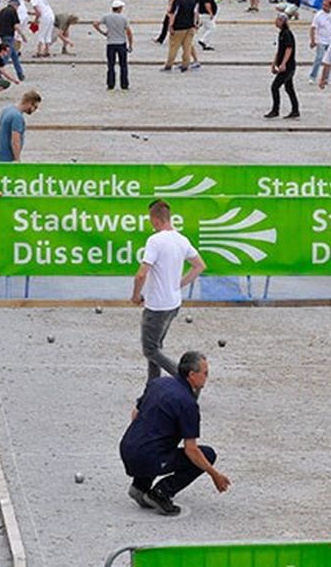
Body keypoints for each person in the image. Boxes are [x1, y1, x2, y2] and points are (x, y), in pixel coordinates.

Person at [119, 350, 230, 517]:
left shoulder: (158, 383)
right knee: (207, 454)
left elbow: (135, 414)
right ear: (192, 375)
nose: (207, 377)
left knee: (158, 441)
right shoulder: (188, 403)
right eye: (205, 373)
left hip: (127, 449)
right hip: (147, 458)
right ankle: (161, 493)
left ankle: (140, 486)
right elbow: (191, 450)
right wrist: (214, 473)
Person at [131, 199, 205, 381]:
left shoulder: (155, 241)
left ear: (155, 220)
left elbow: (141, 275)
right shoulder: (182, 240)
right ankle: (152, 389)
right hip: (173, 304)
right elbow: (199, 266)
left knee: (150, 350)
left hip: (156, 306)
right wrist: (178, 284)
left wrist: (135, 296)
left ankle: (185, 379)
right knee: (156, 348)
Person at [92, 0, 134, 92]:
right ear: (119, 9)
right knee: (123, 65)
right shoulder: (123, 18)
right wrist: (130, 45)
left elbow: (95, 24)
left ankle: (110, 84)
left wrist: (103, 33)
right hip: (121, 44)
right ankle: (124, 84)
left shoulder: (106, 17)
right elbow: (129, 33)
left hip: (110, 44)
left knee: (111, 65)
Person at [265, 10, 299, 119]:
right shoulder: (281, 33)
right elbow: (280, 50)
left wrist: (283, 64)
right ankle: (295, 110)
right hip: (284, 66)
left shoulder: (287, 34)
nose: (275, 22)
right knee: (289, 88)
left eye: (278, 20)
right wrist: (274, 63)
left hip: (288, 67)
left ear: (282, 21)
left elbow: (289, 49)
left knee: (275, 87)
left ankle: (275, 110)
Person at [161, 0, 200, 72]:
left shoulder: (177, 1)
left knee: (173, 47)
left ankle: (169, 65)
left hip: (179, 27)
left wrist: (170, 26)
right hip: (190, 27)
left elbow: (173, 14)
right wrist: (195, 23)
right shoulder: (192, 0)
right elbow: (195, 13)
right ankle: (185, 64)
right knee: (187, 47)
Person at [0, 89, 40, 161]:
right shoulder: (17, 117)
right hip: (8, 158)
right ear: (29, 103)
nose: (35, 110)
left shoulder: (7, 110)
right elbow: (15, 141)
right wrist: (17, 159)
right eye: (35, 107)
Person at [307, 0, 331, 82]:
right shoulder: (319, 15)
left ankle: (326, 77)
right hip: (321, 40)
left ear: (330, 6)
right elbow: (313, 28)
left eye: (326, 6)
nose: (324, 7)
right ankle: (313, 76)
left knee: (330, 60)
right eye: (323, 5)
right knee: (319, 58)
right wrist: (313, 40)